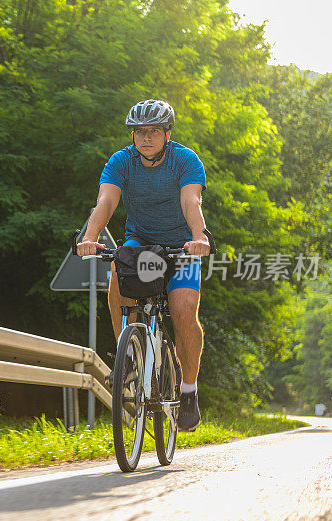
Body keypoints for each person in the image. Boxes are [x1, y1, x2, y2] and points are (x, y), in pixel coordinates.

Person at [75, 99, 210, 431]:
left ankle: (189, 390)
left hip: (182, 247)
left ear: (167, 133)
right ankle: (129, 358)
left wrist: (199, 235)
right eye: (139, 132)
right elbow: (106, 201)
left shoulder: (185, 160)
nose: (145, 138)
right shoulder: (121, 161)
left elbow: (190, 200)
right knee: (117, 275)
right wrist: (89, 238)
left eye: (153, 132)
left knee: (183, 310)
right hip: (141, 243)